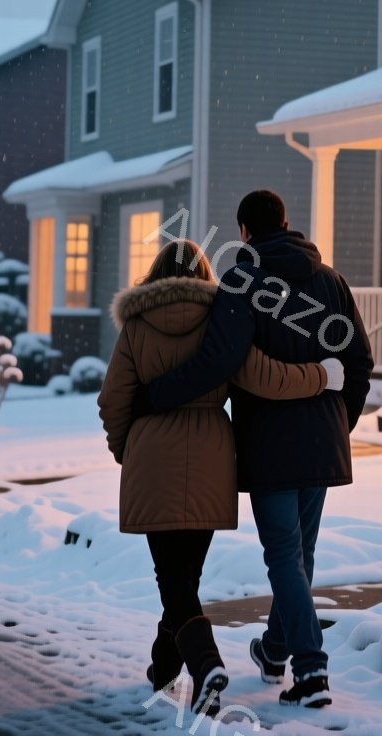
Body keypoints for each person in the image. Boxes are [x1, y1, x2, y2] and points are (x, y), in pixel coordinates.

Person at [140, 190, 373, 710]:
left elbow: (218, 361)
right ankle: (273, 651)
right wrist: (340, 422)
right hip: (322, 443)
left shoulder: (242, 283)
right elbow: (359, 360)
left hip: (269, 447)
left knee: (287, 559)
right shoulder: (330, 281)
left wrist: (156, 394)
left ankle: (311, 670)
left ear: (244, 231)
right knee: (299, 558)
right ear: (287, 224)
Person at [98, 238, 345, 717]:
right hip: (212, 462)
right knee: (182, 577)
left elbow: (113, 400)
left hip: (152, 461)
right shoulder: (223, 320)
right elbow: (265, 376)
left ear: (155, 272)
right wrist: (321, 376)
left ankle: (207, 664)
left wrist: (126, 450)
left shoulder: (135, 326)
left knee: (175, 580)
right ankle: (163, 669)